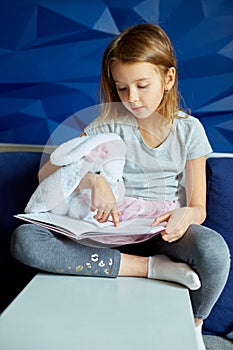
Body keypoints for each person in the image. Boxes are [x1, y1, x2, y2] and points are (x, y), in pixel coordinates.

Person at [11, 24, 230, 350]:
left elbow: (198, 206)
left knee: (214, 251)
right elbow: (49, 172)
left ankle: (194, 326)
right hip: (105, 231)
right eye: (122, 88)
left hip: (159, 232)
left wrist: (186, 215)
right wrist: (92, 179)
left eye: (142, 85)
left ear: (168, 79)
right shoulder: (106, 123)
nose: (132, 99)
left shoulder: (189, 131)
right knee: (25, 240)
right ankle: (150, 269)